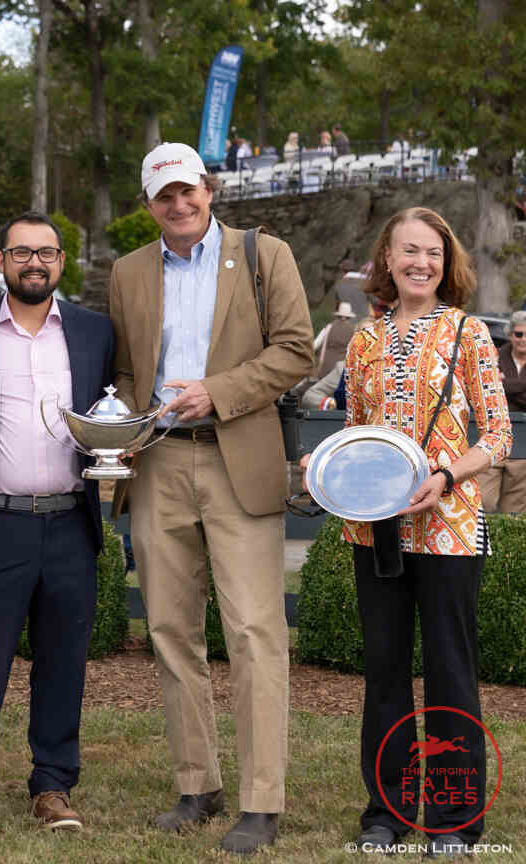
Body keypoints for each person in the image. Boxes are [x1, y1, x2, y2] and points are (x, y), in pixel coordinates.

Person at [109, 141, 314, 854]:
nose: (179, 204)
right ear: (149, 204)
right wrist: (120, 424)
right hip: (157, 462)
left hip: (238, 460)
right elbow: (127, 370)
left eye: (187, 190)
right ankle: (197, 784)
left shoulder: (265, 255)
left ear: (210, 189)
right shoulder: (128, 271)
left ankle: (261, 800)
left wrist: (216, 392)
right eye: (164, 195)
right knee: (170, 629)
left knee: (254, 632)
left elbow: (296, 350)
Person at [306, 207, 511, 857]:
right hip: (376, 528)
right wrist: (325, 466)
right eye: (410, 251)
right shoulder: (363, 340)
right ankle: (387, 812)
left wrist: (447, 476)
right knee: (385, 673)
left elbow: (498, 436)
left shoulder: (468, 332)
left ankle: (454, 820)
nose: (422, 263)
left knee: (451, 673)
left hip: (450, 527)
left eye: (434, 253)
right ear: (387, 260)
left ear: (446, 264)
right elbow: (354, 432)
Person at [0, 212, 114, 835]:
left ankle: (53, 785)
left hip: (71, 522)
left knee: (64, 662)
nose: (34, 262)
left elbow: (113, 411)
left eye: (46, 252)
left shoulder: (94, 331)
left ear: (61, 261)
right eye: (21, 252)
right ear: (1, 261)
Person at [478, 309, 526, 513]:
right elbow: (486, 388)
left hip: (523, 443)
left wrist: (505, 385)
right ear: (510, 334)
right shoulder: (494, 355)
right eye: (519, 334)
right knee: (484, 501)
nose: (523, 339)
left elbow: (498, 388)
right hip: (494, 437)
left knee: (514, 509)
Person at [313, 300, 356, 380]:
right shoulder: (354, 330)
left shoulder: (329, 327)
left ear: (338, 315)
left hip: (326, 365)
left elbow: (316, 344)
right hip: (342, 367)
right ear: (349, 317)